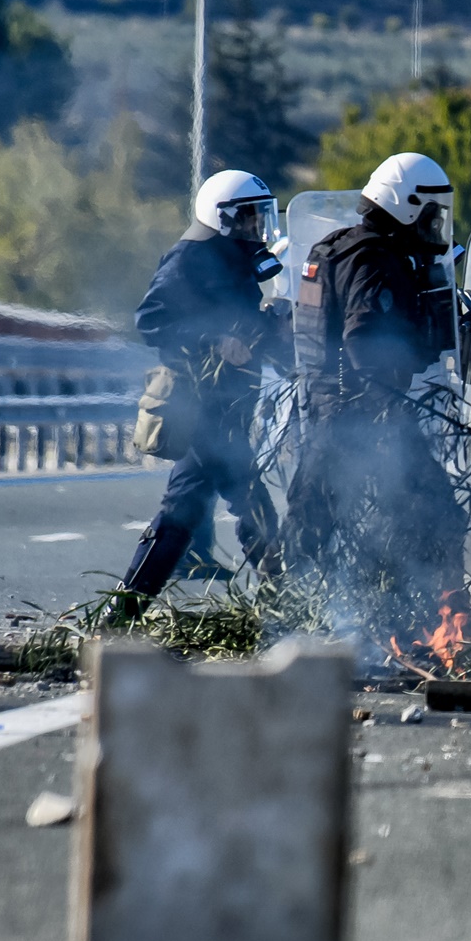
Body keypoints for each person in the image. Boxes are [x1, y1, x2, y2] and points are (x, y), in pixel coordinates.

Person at [284, 152, 470, 621]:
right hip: (365, 412)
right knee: (435, 510)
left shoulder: (337, 246)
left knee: (310, 522)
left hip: (328, 408)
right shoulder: (375, 260)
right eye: (430, 213)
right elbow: (363, 340)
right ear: (407, 206)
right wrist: (383, 411)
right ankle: (441, 615)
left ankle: (291, 616)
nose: (434, 224)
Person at [112, 170, 287, 616]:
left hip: (229, 406)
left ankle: (123, 614)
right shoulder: (191, 256)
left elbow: (240, 323)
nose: (257, 227)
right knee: (252, 505)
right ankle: (284, 608)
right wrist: (213, 341)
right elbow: (151, 318)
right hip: (202, 406)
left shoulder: (239, 259)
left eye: (260, 217)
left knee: (183, 509)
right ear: (224, 217)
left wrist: (272, 323)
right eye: (249, 218)